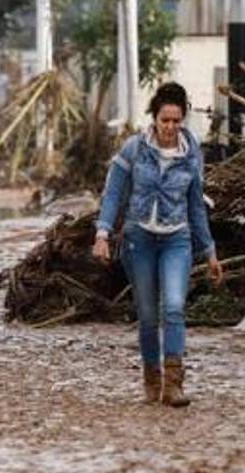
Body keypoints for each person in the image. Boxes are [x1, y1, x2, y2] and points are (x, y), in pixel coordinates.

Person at [92, 82, 225, 407]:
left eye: (176, 121)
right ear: (154, 119)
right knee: (149, 315)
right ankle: (152, 377)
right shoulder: (134, 150)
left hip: (176, 239)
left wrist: (209, 252)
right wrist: (102, 234)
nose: (170, 127)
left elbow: (196, 206)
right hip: (139, 240)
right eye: (165, 121)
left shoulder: (192, 155)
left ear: (183, 120)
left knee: (176, 307)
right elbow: (113, 194)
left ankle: (174, 383)